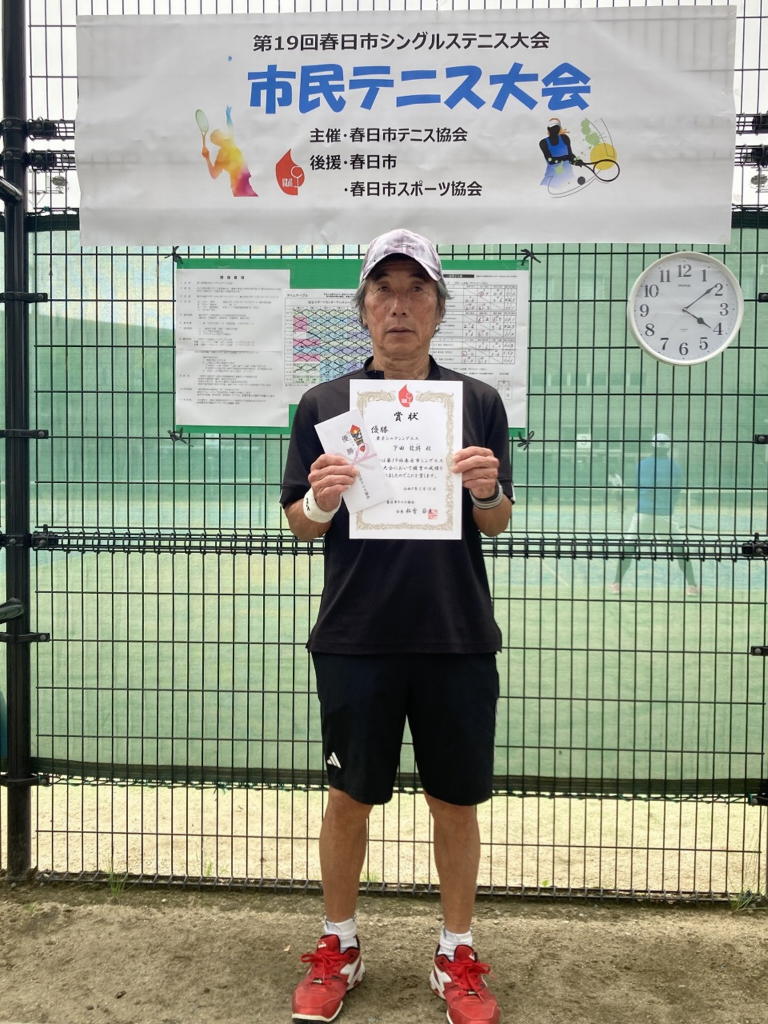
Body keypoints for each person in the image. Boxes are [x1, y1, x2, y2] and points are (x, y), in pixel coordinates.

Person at [280, 228, 514, 1024]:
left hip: (455, 635)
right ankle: (339, 945)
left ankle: (456, 955)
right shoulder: (325, 405)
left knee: (456, 803)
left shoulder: (476, 403)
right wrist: (321, 500)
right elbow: (298, 524)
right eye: (384, 289)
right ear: (364, 309)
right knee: (349, 797)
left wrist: (486, 491)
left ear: (439, 309)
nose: (400, 305)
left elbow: (498, 520)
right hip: (356, 637)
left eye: (417, 289)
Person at [610, 433, 699, 595]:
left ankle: (616, 584)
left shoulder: (641, 465)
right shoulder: (675, 467)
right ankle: (692, 586)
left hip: (643, 512)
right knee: (680, 549)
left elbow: (637, 487)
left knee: (628, 547)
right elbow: (677, 490)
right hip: (665, 513)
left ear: (652, 447)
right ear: (668, 448)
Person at [201, 105, 258, 196]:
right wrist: (207, 158)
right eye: (219, 134)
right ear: (217, 140)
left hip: (243, 185)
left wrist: (228, 116)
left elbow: (230, 127)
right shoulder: (223, 152)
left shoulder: (229, 143)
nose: (223, 134)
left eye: (221, 133)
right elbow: (214, 175)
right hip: (239, 187)